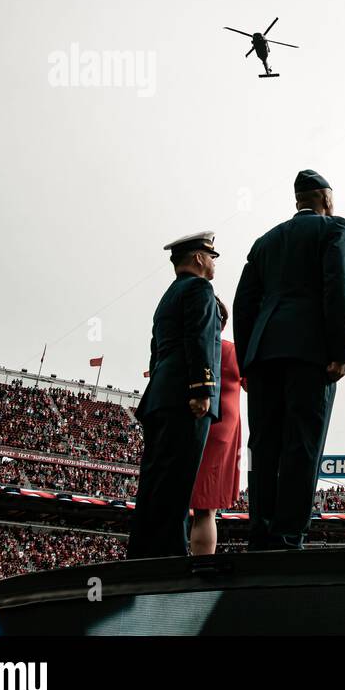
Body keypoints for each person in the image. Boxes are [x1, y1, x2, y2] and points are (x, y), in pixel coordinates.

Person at [233, 169, 345, 551]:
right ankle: (288, 535)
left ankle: (261, 531)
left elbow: (243, 303)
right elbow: (336, 286)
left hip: (264, 352)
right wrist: (339, 349)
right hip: (309, 350)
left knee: (263, 444)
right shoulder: (333, 229)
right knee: (303, 443)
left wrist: (247, 359)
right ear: (324, 198)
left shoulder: (265, 241)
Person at [127, 232, 222, 559]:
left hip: (161, 396)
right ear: (198, 258)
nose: (213, 264)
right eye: (211, 257)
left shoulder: (168, 296)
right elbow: (199, 339)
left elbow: (155, 352)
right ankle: (168, 557)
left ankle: (142, 552)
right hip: (185, 397)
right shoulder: (200, 289)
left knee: (154, 482)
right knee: (177, 484)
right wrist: (202, 388)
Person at [189, 298, 243, 555]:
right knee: (206, 509)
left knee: (191, 503)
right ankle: (201, 567)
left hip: (196, 420)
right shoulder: (233, 351)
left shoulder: (191, 347)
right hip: (223, 427)